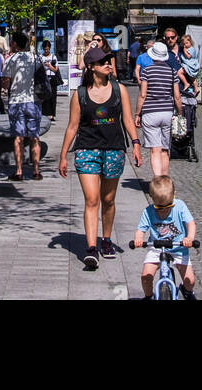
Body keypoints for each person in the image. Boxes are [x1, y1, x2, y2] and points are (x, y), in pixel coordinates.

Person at [59, 46, 142, 270]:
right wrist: (63, 156)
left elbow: (127, 120)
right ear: (92, 67)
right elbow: (72, 127)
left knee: (108, 199)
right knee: (92, 199)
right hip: (87, 150)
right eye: (103, 61)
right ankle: (91, 247)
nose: (108, 64)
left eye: (108, 60)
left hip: (114, 149)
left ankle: (106, 240)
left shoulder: (119, 90)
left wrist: (135, 144)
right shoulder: (80, 95)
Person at [134, 175, 197, 300]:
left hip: (178, 247)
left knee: (190, 280)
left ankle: (186, 290)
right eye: (159, 207)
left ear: (174, 195)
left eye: (168, 206)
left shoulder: (180, 206)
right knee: (146, 276)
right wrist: (139, 238)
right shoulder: (148, 211)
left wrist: (189, 238)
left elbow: (191, 224)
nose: (163, 211)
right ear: (152, 199)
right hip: (156, 247)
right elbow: (141, 229)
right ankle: (148, 296)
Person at [135, 40, 183, 178]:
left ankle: (157, 181)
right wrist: (179, 113)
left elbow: (142, 94)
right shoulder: (172, 71)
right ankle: (165, 181)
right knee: (164, 150)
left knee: (155, 150)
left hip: (150, 112)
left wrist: (137, 114)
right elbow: (177, 96)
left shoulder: (147, 71)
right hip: (167, 112)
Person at [3, 30, 43, 180]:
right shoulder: (34, 58)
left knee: (18, 137)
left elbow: (6, 84)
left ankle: (19, 171)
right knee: (34, 136)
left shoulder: (10, 60)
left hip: (16, 101)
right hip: (33, 101)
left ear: (14, 43)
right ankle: (36, 171)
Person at [177, 35, 200, 162]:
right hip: (191, 67)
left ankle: (187, 84)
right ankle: (195, 87)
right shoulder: (190, 48)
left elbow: (188, 57)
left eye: (186, 43)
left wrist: (184, 50)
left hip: (189, 66)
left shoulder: (189, 50)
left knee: (181, 74)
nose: (184, 45)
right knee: (193, 79)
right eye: (183, 43)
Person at [39, 40, 60, 117]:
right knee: (44, 96)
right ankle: (44, 113)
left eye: (47, 49)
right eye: (45, 49)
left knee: (53, 97)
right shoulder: (41, 57)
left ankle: (52, 114)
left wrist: (49, 66)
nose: (46, 51)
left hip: (52, 78)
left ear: (50, 48)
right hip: (44, 78)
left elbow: (55, 69)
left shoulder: (53, 57)